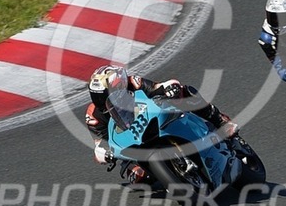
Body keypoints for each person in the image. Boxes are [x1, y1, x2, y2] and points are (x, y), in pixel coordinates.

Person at [85, 65, 238, 183]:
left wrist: (169, 88)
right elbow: (100, 144)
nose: (100, 101)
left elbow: (157, 88)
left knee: (184, 92)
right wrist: (104, 154)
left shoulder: (134, 83)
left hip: (151, 121)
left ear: (120, 86)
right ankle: (172, 177)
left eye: (104, 94)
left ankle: (218, 120)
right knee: (137, 177)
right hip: (130, 145)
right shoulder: (94, 116)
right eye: (96, 96)